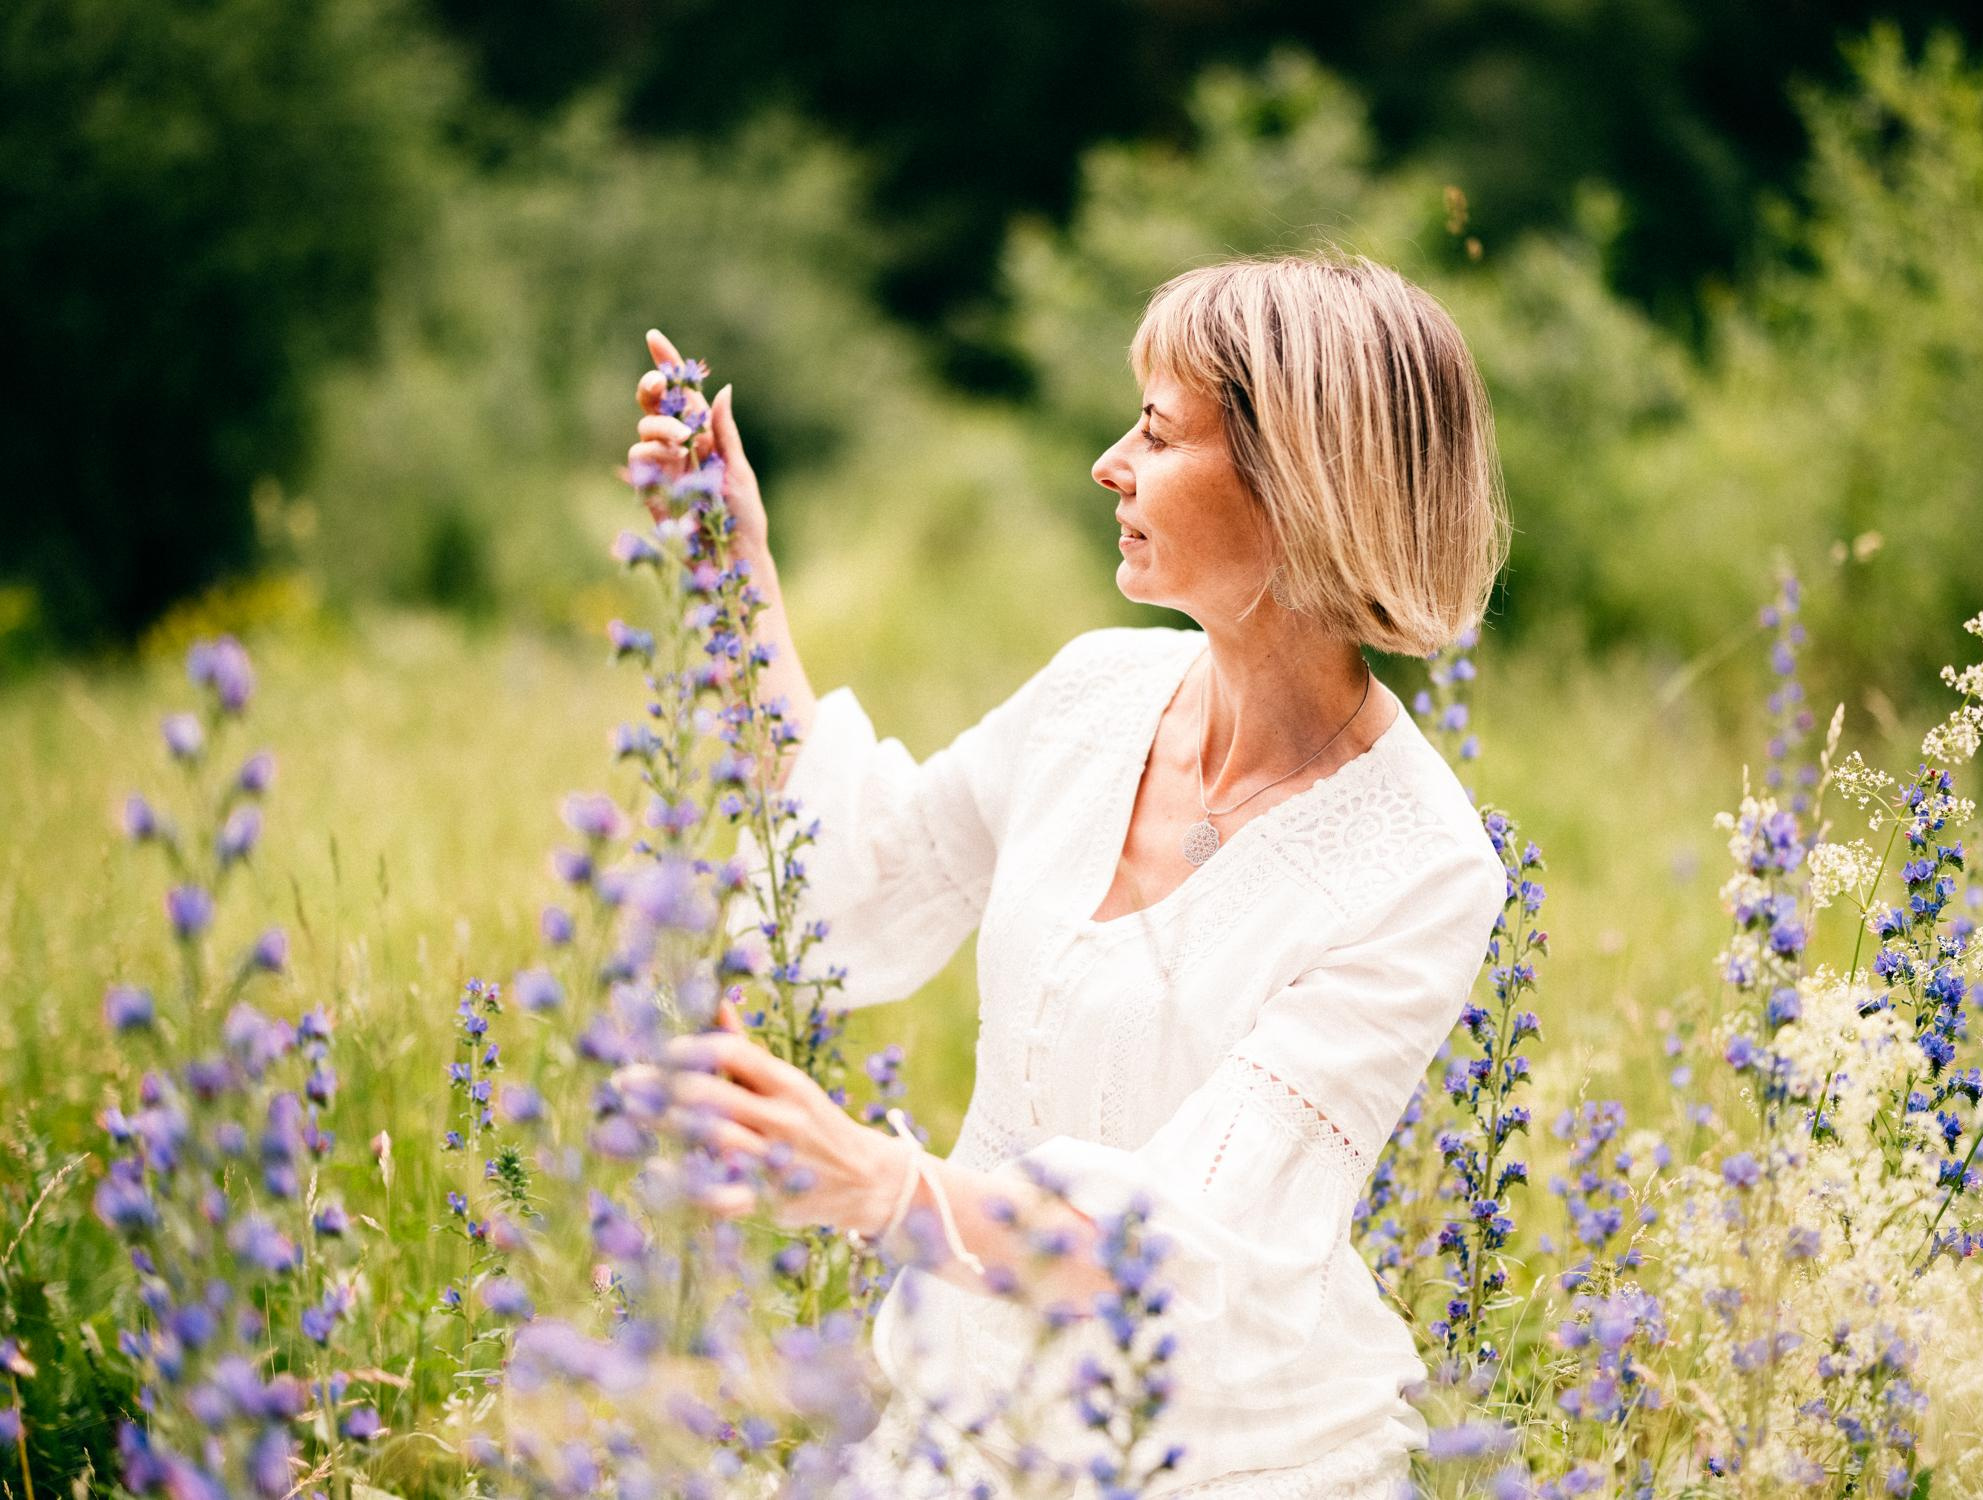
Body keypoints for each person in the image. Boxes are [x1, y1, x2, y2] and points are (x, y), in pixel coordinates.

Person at [627, 252, 1511, 1496]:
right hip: (962, 1420)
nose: (1109, 462)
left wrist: (881, 1185)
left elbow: (1169, 1252)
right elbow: (866, 883)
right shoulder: (1095, 692)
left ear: (1297, 484)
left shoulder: (1421, 868)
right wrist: (736, 576)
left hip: (1223, 1465)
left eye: (1157, 429)